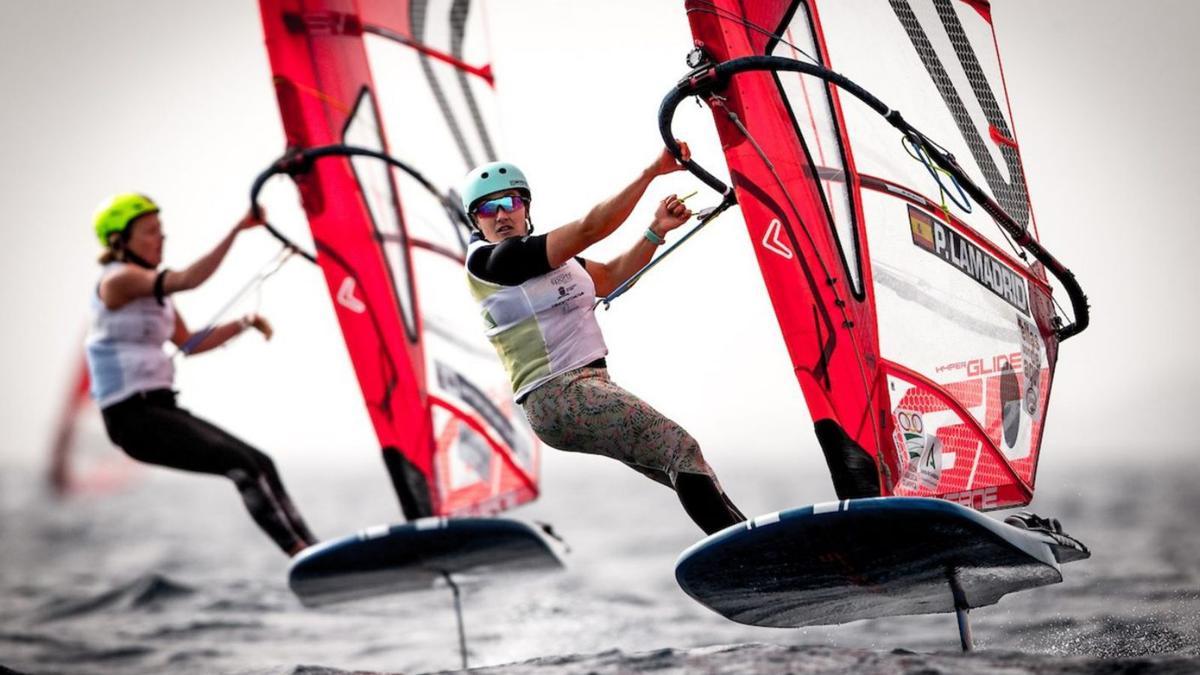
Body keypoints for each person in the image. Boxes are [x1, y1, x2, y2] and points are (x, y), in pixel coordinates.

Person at [461, 149, 746, 535]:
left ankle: (757, 546)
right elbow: (590, 228)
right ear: (475, 221)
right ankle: (750, 557)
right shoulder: (490, 261)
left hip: (591, 388)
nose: (500, 215)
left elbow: (610, 277)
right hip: (557, 395)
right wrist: (652, 171)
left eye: (509, 202)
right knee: (682, 450)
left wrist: (655, 230)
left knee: (685, 466)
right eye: (486, 209)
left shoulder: (557, 262)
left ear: (524, 207)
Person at [85, 193, 316, 556]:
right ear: (120, 241)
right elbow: (189, 279)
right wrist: (238, 229)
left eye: (162, 230)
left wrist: (244, 323)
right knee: (241, 466)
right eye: (150, 232)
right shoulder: (118, 281)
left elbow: (189, 342)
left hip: (161, 409)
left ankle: (314, 549)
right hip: (132, 418)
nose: (162, 238)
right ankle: (300, 552)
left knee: (261, 462)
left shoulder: (152, 289)